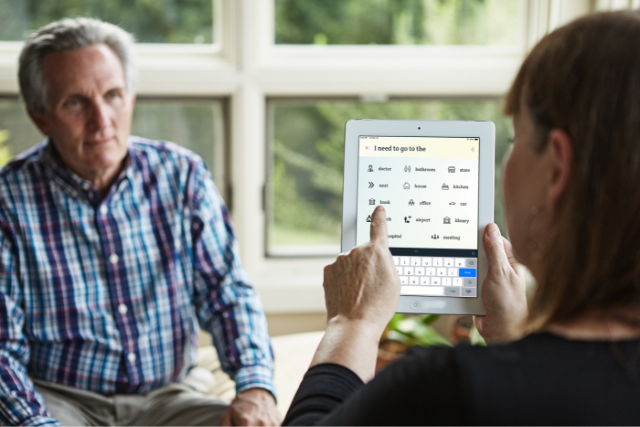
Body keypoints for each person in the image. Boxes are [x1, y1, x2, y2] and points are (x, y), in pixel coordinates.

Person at [283, 10, 640, 426]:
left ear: (557, 168)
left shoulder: (447, 390)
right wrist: (515, 338)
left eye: (515, 138)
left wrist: (353, 322)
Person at [0, 18, 280, 426]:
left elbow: (227, 295)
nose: (102, 120)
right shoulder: (7, 201)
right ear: (41, 117)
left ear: (130, 98)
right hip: (59, 401)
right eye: (76, 102)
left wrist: (255, 386)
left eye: (113, 95)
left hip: (170, 397)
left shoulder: (182, 176)